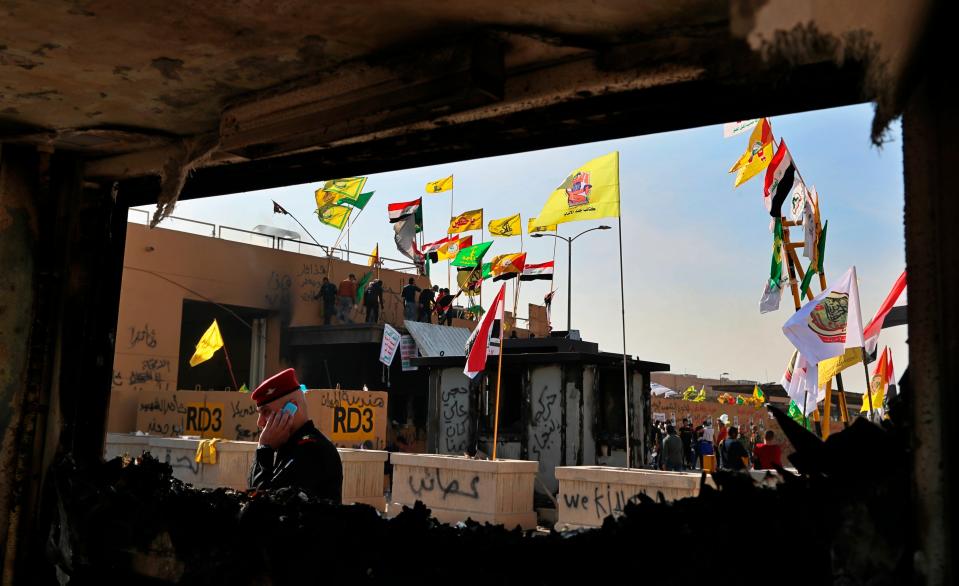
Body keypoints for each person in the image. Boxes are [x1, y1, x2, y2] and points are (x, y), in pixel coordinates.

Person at [248, 368, 343, 501]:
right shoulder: (289, 446)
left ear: (291, 409)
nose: (260, 422)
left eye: (266, 412)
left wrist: (264, 449)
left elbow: (261, 507)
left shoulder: (310, 450)